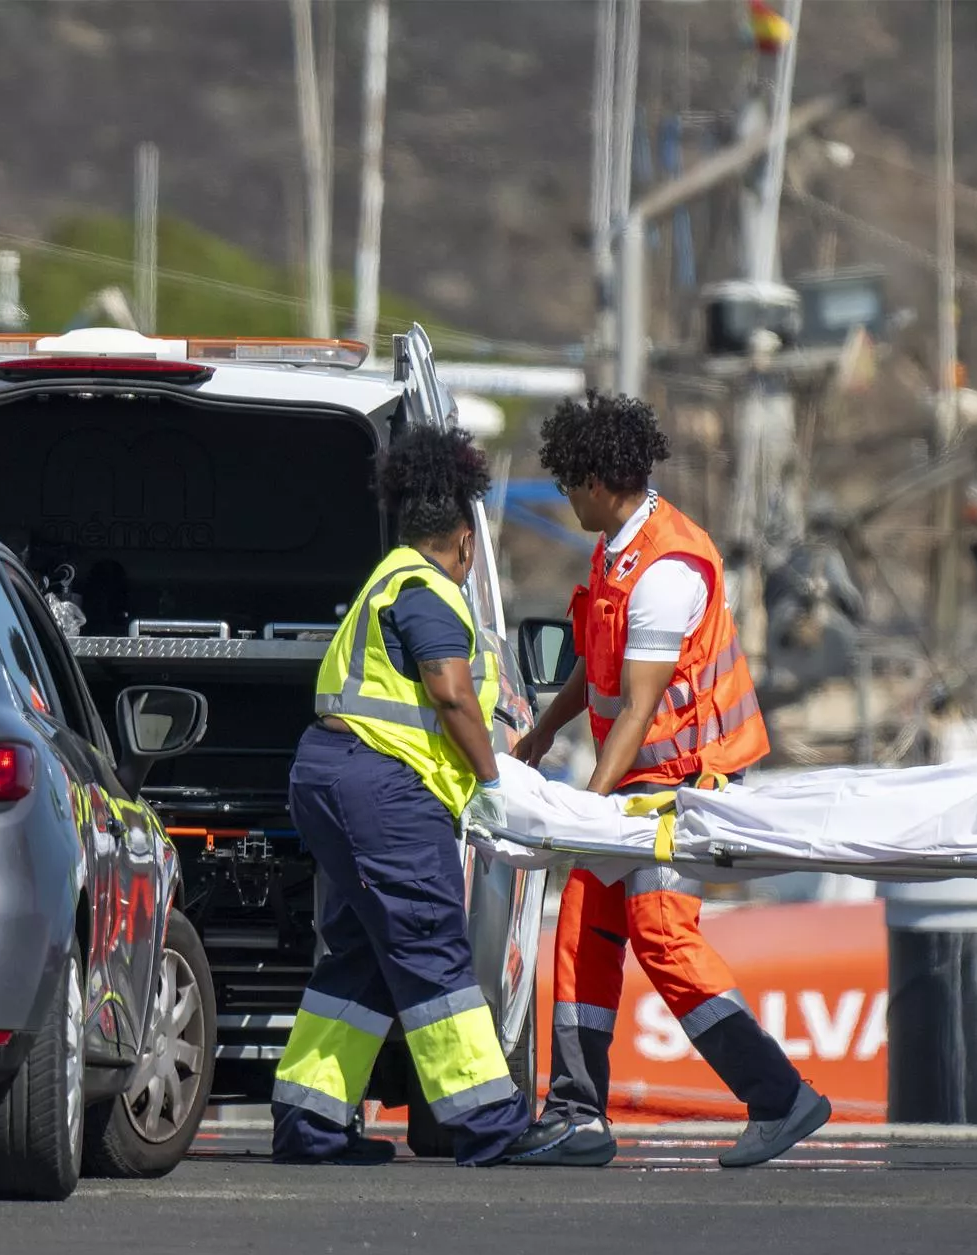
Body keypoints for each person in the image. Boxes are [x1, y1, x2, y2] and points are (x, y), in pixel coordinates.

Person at [506, 391, 830, 1168]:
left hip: (687, 780)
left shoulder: (666, 569)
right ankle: (579, 1113)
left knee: (659, 932)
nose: (565, 498)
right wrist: (544, 731)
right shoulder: (620, 549)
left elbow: (642, 704)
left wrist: (583, 809)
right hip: (639, 779)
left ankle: (779, 1096)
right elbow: (601, 665)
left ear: (595, 481)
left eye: (567, 485)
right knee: (583, 922)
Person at [270, 426, 531, 1167]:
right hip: (381, 786)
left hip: (334, 776)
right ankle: (488, 1121)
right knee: (428, 941)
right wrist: (490, 779)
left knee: (359, 953)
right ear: (465, 541)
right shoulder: (427, 591)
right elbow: (451, 695)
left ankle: (309, 1122)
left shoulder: (385, 578)